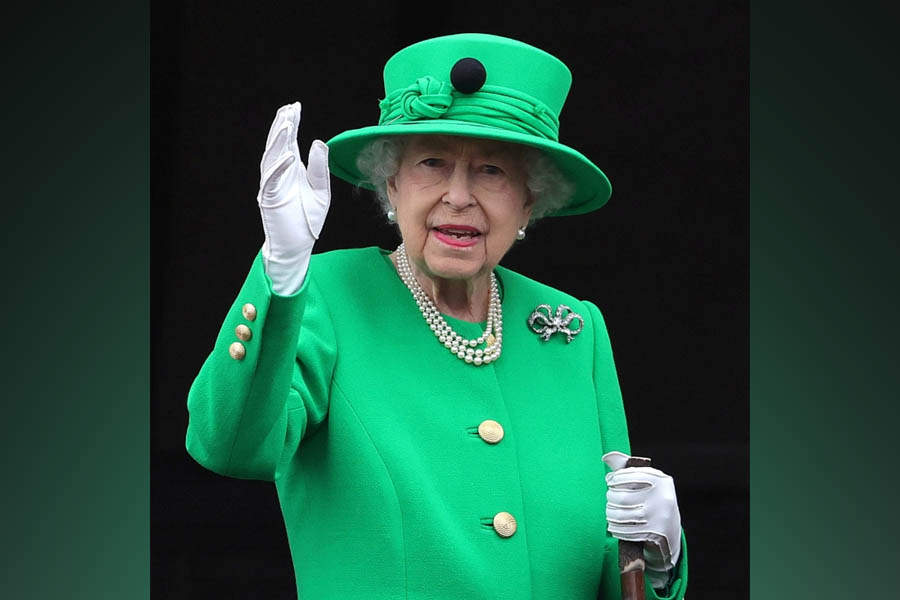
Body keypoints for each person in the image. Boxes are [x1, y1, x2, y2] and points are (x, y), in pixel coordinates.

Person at [186, 33, 688, 599]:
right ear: (391, 184)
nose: (458, 196)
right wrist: (280, 276)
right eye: (432, 163)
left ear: (529, 201)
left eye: (493, 171)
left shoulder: (572, 330)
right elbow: (229, 446)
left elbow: (613, 573)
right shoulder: (323, 295)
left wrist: (655, 560)